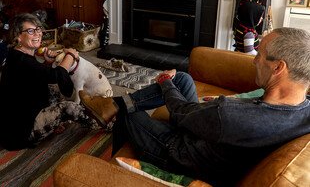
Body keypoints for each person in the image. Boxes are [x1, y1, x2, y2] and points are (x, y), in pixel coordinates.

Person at [79, 27, 310, 186]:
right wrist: (223, 103)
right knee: (184, 79)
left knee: (131, 114)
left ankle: (113, 160)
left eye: (259, 54)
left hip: (181, 154)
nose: (254, 59)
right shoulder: (303, 110)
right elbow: (248, 113)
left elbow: (180, 114)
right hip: (213, 137)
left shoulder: (230, 116)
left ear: (279, 67)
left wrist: (164, 82)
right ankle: (111, 105)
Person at [0, 13, 96, 150]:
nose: (38, 34)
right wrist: (70, 55)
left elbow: (37, 77)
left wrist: (46, 62)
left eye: (38, 29)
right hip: (20, 133)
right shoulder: (21, 61)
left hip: (22, 115)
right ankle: (102, 122)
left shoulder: (17, 55)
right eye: (30, 31)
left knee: (52, 88)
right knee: (67, 107)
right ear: (18, 37)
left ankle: (52, 123)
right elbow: (56, 75)